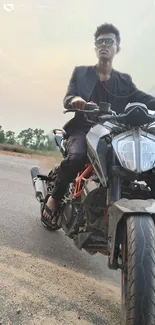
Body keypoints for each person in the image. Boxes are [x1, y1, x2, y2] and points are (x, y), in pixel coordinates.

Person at [43, 23, 155, 226]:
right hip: (84, 127)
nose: (104, 44)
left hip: (113, 131)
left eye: (109, 41)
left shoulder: (124, 80)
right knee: (77, 157)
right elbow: (69, 97)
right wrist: (75, 99)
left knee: (148, 165)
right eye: (100, 41)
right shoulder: (81, 73)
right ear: (95, 47)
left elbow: (141, 98)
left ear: (117, 48)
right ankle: (54, 199)